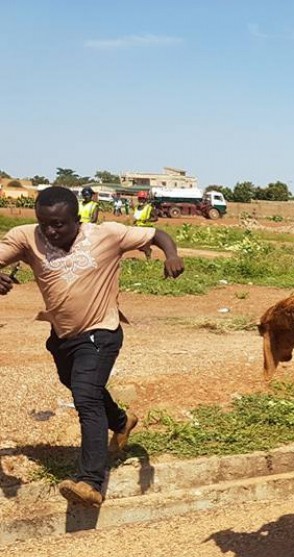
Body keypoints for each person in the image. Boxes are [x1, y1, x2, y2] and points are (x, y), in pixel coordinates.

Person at [0, 186, 184, 506]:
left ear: (77, 220)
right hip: (63, 336)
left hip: (102, 331)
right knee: (75, 383)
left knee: (85, 396)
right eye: (44, 224)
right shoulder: (26, 237)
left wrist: (172, 254)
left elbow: (157, 233)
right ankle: (121, 421)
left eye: (59, 224)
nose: (51, 231)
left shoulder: (107, 235)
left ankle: (91, 482)